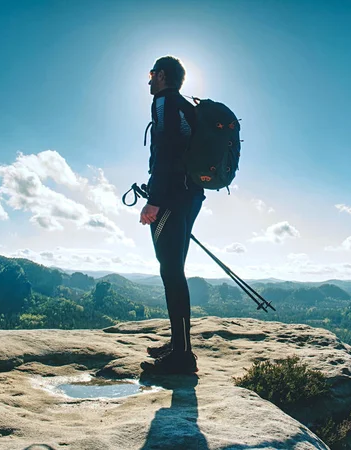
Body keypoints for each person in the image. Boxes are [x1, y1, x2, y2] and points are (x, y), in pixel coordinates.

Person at [139, 56, 205, 375]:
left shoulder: (164, 102)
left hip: (172, 199)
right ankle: (179, 346)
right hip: (191, 197)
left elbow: (164, 152)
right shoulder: (187, 107)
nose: (149, 80)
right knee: (175, 269)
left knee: (171, 271)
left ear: (162, 76)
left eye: (152, 74)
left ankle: (181, 356)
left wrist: (154, 200)